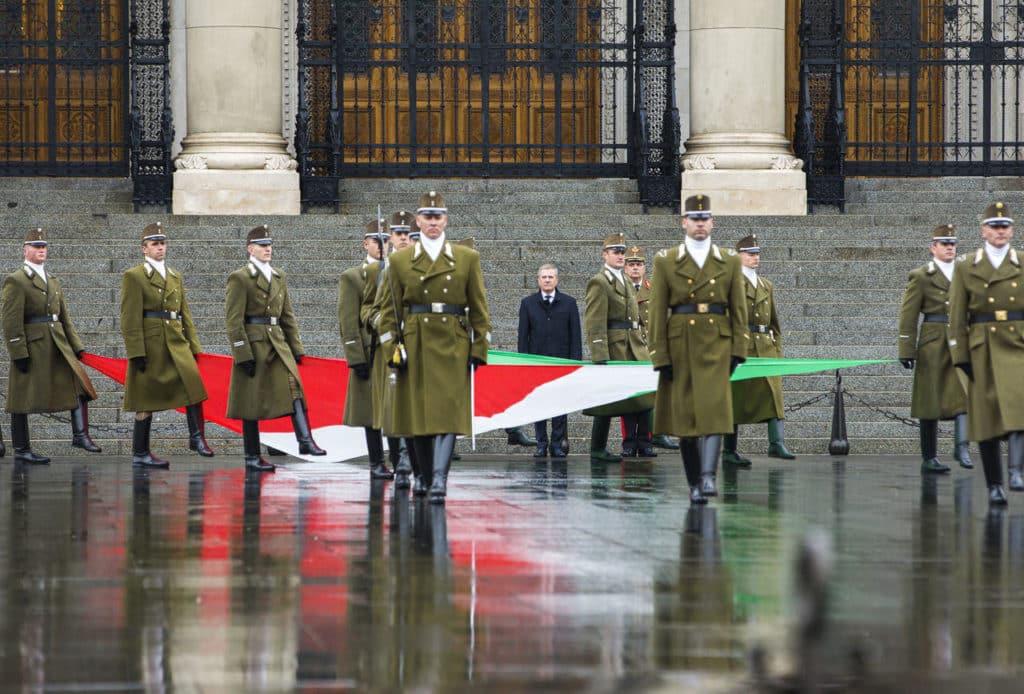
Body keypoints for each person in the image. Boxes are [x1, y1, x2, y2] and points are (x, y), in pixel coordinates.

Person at [375, 191, 491, 503]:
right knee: (419, 419)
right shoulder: (400, 261)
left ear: (446, 220)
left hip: (452, 342)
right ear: (418, 220)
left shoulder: (467, 259)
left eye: (438, 216)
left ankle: (439, 478)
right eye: (427, 217)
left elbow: (479, 309)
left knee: (448, 414)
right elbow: (387, 314)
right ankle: (424, 476)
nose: (433, 222)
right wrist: (391, 350)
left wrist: (479, 348)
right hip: (416, 342)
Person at [648, 194, 748, 504]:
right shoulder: (666, 260)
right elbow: (656, 311)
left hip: (718, 341)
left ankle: (708, 477)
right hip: (681, 343)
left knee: (716, 409)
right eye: (694, 219)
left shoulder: (729, 260)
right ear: (684, 222)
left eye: (705, 219)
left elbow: (738, 308)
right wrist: (659, 354)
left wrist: (739, 349)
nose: (700, 224)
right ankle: (694, 481)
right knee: (686, 417)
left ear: (712, 222)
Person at [226, 225, 326, 471]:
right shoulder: (240, 277)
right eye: (262, 245)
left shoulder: (279, 275)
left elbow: (287, 315)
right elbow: (233, 320)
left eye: (269, 245)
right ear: (251, 249)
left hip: (278, 342)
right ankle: (252, 456)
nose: (268, 249)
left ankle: (305, 440)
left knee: (294, 385)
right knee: (251, 401)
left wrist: (296, 347)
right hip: (255, 344)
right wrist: (242, 352)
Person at [2, 228, 99, 463]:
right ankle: (22, 449)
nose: (41, 249)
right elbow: (10, 320)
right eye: (36, 246)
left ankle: (80, 434)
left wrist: (77, 347)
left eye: (43, 246)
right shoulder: (17, 280)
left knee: (79, 385)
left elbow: (64, 317)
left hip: (57, 344)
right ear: (25, 251)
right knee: (20, 399)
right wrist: (18, 351)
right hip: (33, 347)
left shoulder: (53, 280)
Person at [949, 202, 1024, 506]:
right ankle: (995, 484)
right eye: (994, 226)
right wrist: (960, 355)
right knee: (987, 421)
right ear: (983, 230)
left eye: (1004, 226)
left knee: (1020, 409)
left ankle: (1016, 470)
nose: (999, 231)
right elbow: (956, 315)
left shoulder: (1022, 262)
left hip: (1018, 343)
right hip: (982, 347)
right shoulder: (967, 266)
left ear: (1012, 230)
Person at [120, 222, 211, 468]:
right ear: (144, 249)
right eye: (155, 244)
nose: (160, 248)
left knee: (194, 386)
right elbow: (129, 317)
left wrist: (194, 346)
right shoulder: (134, 276)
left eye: (162, 243)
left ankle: (197, 438)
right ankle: (140, 452)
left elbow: (185, 313)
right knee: (145, 400)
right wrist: (136, 351)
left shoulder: (174, 276)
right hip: (151, 344)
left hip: (176, 340)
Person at [898, 224, 971, 474]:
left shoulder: (965, 273)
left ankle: (961, 446)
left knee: (965, 392)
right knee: (929, 402)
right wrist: (906, 349)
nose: (950, 247)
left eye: (952, 243)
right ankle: (929, 457)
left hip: (961, 340)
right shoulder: (921, 276)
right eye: (944, 243)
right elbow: (908, 315)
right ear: (934, 247)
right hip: (933, 341)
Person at [721, 234, 796, 466]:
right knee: (735, 398)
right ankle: (729, 451)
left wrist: (778, 349)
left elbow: (775, 322)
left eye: (757, 254)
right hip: (742, 347)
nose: (755, 258)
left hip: (765, 345)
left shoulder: (766, 285)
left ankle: (776, 443)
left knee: (774, 394)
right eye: (750, 254)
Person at [584, 233, 655, 460]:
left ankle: (643, 443)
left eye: (622, 252)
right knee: (606, 400)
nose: (620, 256)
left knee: (643, 395)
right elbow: (595, 321)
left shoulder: (624, 280)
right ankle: (597, 448)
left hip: (634, 345)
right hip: (615, 347)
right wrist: (600, 354)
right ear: (605, 255)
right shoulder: (600, 281)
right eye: (616, 252)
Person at [363, 210, 416, 487]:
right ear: (391, 238)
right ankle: (402, 460)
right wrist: (387, 336)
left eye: (409, 235)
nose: (404, 239)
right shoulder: (383, 269)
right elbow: (372, 311)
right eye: (399, 235)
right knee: (397, 405)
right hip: (395, 349)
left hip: (423, 343)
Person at [340, 218, 394, 479]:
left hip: (392, 350)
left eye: (386, 240)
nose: (383, 246)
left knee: (394, 408)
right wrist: (355, 356)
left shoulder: (397, 270)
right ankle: (376, 462)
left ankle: (399, 461)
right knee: (372, 413)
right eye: (377, 241)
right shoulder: (353, 276)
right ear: (366, 244)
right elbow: (348, 319)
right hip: (369, 351)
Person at [517, 263, 582, 458]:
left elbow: (575, 336)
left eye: (550, 277)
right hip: (537, 363)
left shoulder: (569, 303)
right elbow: (523, 336)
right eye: (543, 277)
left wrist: (575, 363)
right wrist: (524, 362)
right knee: (539, 405)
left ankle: (556, 445)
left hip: (561, 363)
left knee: (560, 405)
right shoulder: (528, 303)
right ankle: (541, 443)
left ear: (556, 280)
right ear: (538, 280)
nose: (547, 280)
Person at [624, 245, 678, 452]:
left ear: (644, 268)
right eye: (631, 264)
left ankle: (646, 441)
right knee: (630, 398)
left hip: (649, 349)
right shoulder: (621, 288)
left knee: (649, 397)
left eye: (639, 264)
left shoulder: (653, 288)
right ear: (626, 268)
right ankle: (629, 442)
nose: (635, 268)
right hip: (629, 348)